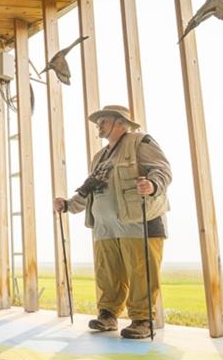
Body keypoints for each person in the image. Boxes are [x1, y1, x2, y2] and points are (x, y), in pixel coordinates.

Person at [53, 105, 171, 339]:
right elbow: (90, 189)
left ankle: (142, 319)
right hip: (105, 227)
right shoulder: (100, 156)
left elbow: (162, 170)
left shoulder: (141, 142)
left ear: (119, 122)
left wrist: (153, 185)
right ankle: (108, 315)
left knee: (141, 271)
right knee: (107, 271)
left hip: (138, 221)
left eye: (103, 121)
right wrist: (68, 205)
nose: (99, 125)